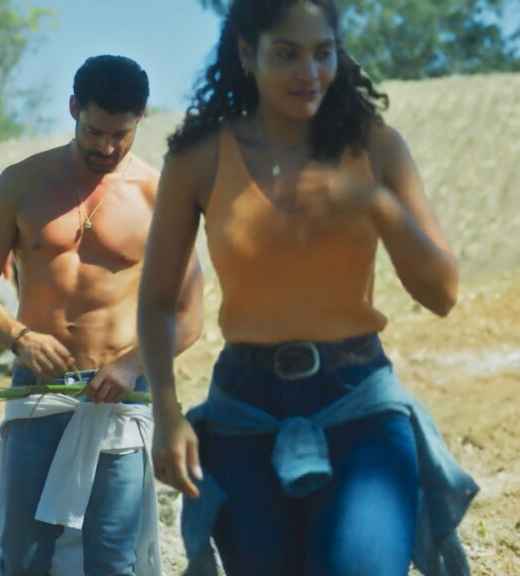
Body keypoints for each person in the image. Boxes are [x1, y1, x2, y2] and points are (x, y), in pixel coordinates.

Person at [136, 1, 478, 575]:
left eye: (323, 53)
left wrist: (373, 202)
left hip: (360, 406)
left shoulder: (376, 147)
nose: (310, 72)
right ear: (247, 53)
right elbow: (155, 303)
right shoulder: (198, 159)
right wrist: (166, 415)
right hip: (244, 415)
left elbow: (442, 293)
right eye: (287, 54)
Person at [0, 55, 203, 576]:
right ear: (73, 108)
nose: (106, 147)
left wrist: (132, 365)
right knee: (23, 555)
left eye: (120, 135)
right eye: (94, 131)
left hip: (120, 396)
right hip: (38, 392)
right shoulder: (20, 184)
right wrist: (20, 338)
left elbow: (188, 316)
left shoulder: (159, 196)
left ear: (141, 119)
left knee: (113, 557)